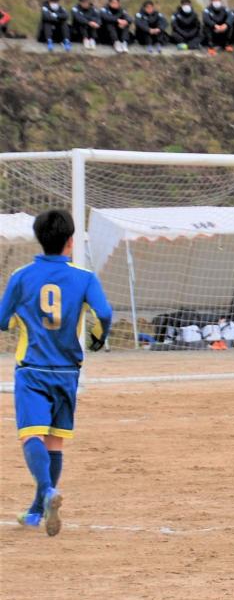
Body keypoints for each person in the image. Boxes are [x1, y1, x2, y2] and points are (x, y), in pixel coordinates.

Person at [1, 209, 112, 536]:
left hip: (32, 369)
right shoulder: (84, 276)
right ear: (70, 241)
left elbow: (2, 318)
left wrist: (18, 321)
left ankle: (47, 493)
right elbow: (104, 312)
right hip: (67, 371)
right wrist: (97, 335)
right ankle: (36, 510)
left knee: (30, 435)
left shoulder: (21, 276)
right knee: (55, 443)